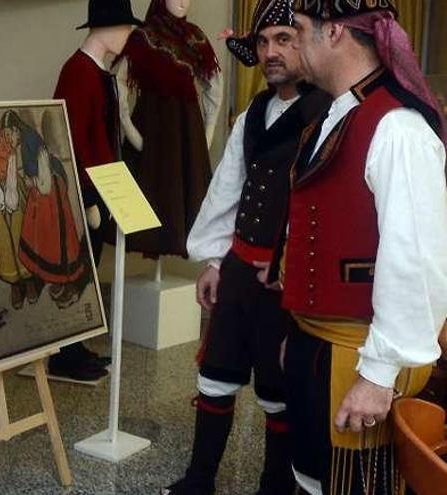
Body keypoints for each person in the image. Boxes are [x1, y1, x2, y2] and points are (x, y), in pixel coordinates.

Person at [272, 1, 447, 493]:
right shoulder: (338, 114)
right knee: (310, 476)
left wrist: (379, 374)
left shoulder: (398, 129)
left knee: (354, 484)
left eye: (300, 30)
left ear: (333, 34)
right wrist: (302, 327)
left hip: (361, 354)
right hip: (318, 342)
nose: (294, 42)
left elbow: (416, 261)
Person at [164, 2, 331, 493]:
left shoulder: (328, 113)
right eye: (262, 42)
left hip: (287, 279)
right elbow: (228, 188)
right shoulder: (253, 112)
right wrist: (215, 259)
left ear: (307, 42)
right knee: (215, 374)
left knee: (277, 391)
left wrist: (297, 272)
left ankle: (275, 486)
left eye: (284, 39)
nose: (271, 52)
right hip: (240, 269)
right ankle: (200, 480)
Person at [50, 0, 142, 381]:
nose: (128, 36)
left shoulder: (98, 72)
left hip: (102, 186)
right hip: (83, 192)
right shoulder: (77, 72)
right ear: (105, 28)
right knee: (76, 272)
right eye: (124, 28)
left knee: (88, 270)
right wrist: (85, 196)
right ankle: (65, 353)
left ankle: (77, 345)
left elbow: (105, 137)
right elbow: (69, 139)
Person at [115, 0, 222, 258]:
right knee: (149, 204)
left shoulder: (197, 39)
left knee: (183, 201)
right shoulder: (142, 38)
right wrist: (133, 134)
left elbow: (214, 88)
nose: (183, 1)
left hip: (185, 135)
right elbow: (118, 84)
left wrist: (203, 138)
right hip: (153, 132)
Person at [1, 110, 89, 309]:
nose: (8, 138)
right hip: (44, 191)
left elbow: (44, 177)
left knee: (56, 239)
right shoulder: (25, 140)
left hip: (50, 191)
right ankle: (57, 279)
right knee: (43, 237)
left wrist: (33, 184)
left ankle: (66, 283)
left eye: (8, 134)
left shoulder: (30, 140)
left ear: (16, 129)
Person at [0, 110, 35, 308]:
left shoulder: (8, 148)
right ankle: (14, 282)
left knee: (20, 231)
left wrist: (11, 196)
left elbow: (12, 169)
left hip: (13, 188)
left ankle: (28, 278)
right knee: (2, 236)